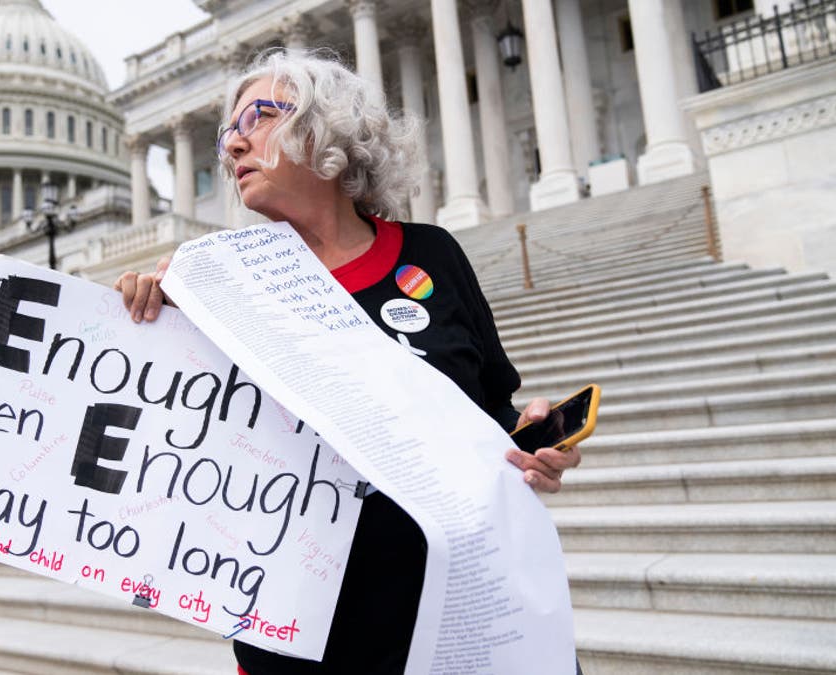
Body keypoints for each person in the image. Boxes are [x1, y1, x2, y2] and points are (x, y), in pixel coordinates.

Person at [115, 50, 581, 675]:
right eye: (229, 132)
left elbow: (489, 412)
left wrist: (532, 448)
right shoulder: (216, 283)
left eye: (258, 116)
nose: (232, 145)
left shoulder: (432, 255)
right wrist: (148, 323)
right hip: (304, 639)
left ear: (328, 128)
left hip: (459, 616)